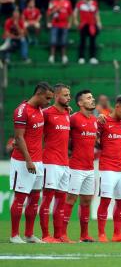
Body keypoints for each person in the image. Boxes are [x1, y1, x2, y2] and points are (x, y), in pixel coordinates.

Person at [9, 82, 54, 243]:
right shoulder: (22, 111)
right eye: (47, 98)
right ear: (39, 94)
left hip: (38, 161)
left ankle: (29, 234)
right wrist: (28, 160)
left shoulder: (40, 110)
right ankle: (14, 235)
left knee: (35, 199)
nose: (49, 101)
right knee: (20, 198)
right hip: (23, 161)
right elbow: (19, 137)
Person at [61, 89, 97, 243]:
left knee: (87, 201)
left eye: (92, 97)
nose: (92, 99)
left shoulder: (95, 120)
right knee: (70, 200)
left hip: (90, 168)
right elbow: (62, 136)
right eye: (89, 98)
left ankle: (84, 235)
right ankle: (62, 234)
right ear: (80, 103)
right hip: (75, 167)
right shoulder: (74, 119)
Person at [39, 84, 71, 243]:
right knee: (47, 199)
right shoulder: (45, 113)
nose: (69, 97)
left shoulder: (67, 113)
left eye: (69, 95)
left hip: (65, 163)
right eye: (65, 95)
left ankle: (59, 235)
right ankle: (45, 235)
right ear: (56, 96)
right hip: (50, 162)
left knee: (61, 200)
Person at [97, 96, 121, 242]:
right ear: (117, 107)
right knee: (105, 200)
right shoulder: (103, 121)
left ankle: (117, 234)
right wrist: (97, 118)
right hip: (107, 168)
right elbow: (92, 132)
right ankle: (101, 234)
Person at [74, 0, 102, 65]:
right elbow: (75, 12)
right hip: (83, 25)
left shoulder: (94, 3)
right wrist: (76, 21)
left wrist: (99, 23)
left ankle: (92, 57)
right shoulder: (80, 3)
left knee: (92, 41)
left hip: (92, 25)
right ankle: (81, 57)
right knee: (82, 41)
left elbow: (96, 14)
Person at [47, 0, 73, 64]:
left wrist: (70, 23)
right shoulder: (52, 2)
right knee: (53, 41)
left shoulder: (67, 2)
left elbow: (70, 13)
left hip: (64, 24)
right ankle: (52, 56)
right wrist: (55, 10)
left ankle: (64, 56)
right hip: (55, 24)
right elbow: (49, 13)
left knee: (64, 41)